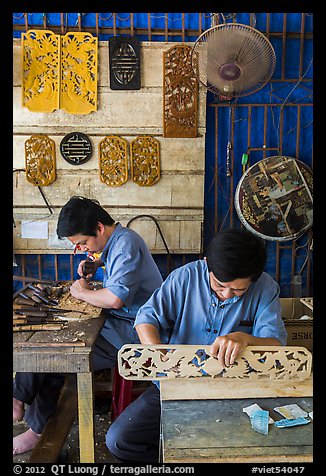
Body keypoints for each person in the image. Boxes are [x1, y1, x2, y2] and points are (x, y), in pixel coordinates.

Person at [106, 228, 288, 463]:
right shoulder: (185, 277)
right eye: (219, 285)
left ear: (255, 277)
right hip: (175, 384)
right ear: (207, 264)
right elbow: (146, 319)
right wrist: (162, 358)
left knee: (249, 447)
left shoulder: (266, 288)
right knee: (120, 440)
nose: (226, 294)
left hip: (236, 391)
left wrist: (245, 339)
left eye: (238, 290)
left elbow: (275, 345)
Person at [13, 196, 163, 455]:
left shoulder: (126, 244)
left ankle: (29, 418)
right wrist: (97, 264)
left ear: (99, 227)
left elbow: (115, 299)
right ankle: (23, 407)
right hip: (119, 322)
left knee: (57, 356)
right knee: (52, 347)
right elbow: (116, 266)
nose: (82, 248)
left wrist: (81, 293)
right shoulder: (117, 241)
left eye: (83, 243)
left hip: (135, 331)